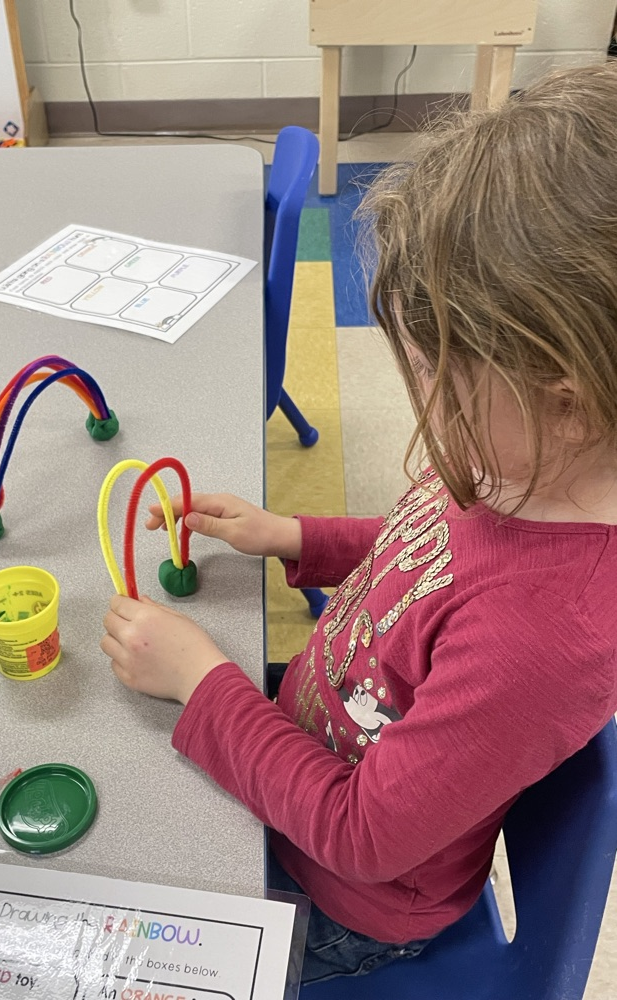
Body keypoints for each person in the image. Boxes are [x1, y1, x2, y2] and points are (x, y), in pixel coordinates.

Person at [101, 64, 617, 984]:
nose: (412, 392)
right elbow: (427, 551)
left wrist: (204, 686)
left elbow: (364, 834)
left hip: (347, 898)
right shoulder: (524, 465)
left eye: (432, 372)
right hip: (304, 751)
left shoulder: (544, 638)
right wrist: (296, 538)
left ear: (565, 401)